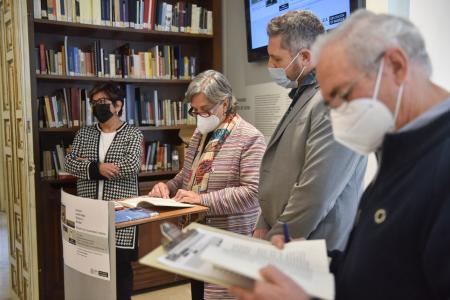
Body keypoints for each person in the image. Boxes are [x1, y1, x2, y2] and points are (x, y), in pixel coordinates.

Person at [231, 10, 450, 300]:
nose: (336, 115)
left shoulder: (438, 160)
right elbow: (381, 265)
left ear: (396, 66)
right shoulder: (401, 149)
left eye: (342, 96)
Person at [254, 10, 367, 251]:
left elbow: (316, 192)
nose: (270, 66)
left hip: (313, 244)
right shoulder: (307, 92)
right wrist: (262, 220)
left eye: (276, 60)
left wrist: (274, 241)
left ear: (305, 57)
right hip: (289, 239)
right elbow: (280, 169)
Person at [149, 70, 266, 300]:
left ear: (225, 103)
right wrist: (167, 187)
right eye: (195, 110)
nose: (200, 116)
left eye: (205, 110)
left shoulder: (250, 137)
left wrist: (202, 200)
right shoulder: (200, 135)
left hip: (230, 241)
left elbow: (253, 192)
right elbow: (186, 175)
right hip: (197, 241)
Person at [65, 83, 143, 300]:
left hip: (120, 212)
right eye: (94, 103)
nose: (97, 107)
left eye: (102, 102)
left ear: (117, 105)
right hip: (89, 211)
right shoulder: (84, 133)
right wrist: (97, 168)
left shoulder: (132, 134)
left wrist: (88, 165)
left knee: (120, 267)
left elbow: (131, 166)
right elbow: (69, 162)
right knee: (91, 265)